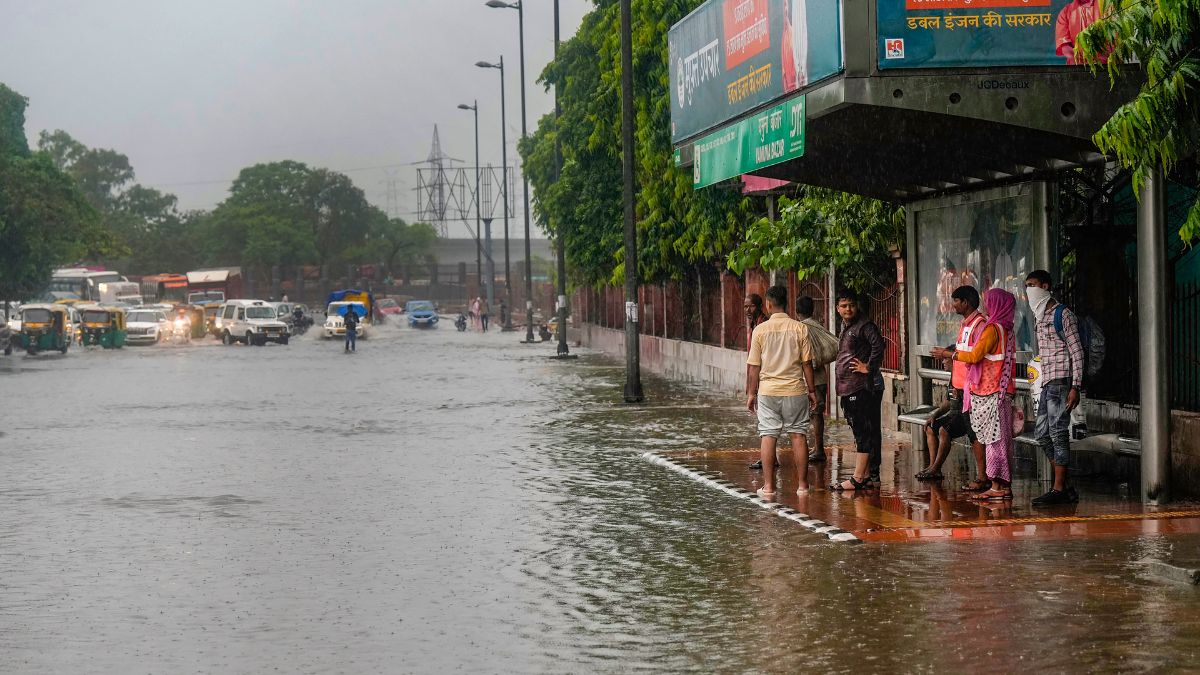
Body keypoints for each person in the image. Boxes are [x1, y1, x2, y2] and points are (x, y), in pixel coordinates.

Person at [746, 285, 818, 498]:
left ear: (768, 304)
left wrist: (751, 393)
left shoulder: (760, 330)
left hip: (768, 392)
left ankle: (769, 487)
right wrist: (812, 390)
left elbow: (754, 367)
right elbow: (807, 364)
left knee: (768, 435)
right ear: (787, 303)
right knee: (799, 435)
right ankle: (803, 486)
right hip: (795, 390)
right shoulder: (800, 328)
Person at [950, 288, 1018, 501]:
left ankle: (996, 486)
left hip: (990, 391)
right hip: (1002, 390)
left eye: (989, 302)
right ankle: (1003, 485)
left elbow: (976, 355)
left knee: (993, 440)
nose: (986, 305)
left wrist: (949, 354)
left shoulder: (992, 329)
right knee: (1001, 440)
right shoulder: (1007, 329)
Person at [1025, 270, 1085, 505]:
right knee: (1042, 434)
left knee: (1058, 433)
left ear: (1046, 286)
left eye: (1033, 285)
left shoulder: (1063, 314)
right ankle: (1065, 485)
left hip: (1062, 382)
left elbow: (1076, 351)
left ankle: (1059, 489)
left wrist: (1076, 386)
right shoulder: (1039, 316)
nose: (1029, 289)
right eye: (1027, 285)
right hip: (1047, 382)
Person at [925, 285, 989, 489]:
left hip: (972, 390)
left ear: (966, 302)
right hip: (962, 390)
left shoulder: (980, 324)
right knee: (964, 431)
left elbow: (975, 356)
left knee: (974, 433)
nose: (953, 305)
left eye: (955, 301)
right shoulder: (965, 325)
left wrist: (948, 355)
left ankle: (983, 477)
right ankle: (935, 468)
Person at [830, 289, 886, 491]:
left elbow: (879, 345)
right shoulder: (847, 326)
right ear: (837, 308)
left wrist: (868, 367)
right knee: (863, 431)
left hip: (862, 387)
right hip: (850, 387)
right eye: (844, 306)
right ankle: (868, 475)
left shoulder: (864, 325)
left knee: (865, 431)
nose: (848, 309)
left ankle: (861, 477)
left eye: (851, 305)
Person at [796, 295, 836, 462]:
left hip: (807, 380)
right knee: (817, 414)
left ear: (796, 311)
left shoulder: (801, 328)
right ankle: (818, 447)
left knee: (805, 416)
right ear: (812, 310)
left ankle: (813, 449)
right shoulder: (818, 326)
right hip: (820, 379)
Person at [744, 293, 773, 471]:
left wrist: (751, 391)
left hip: (765, 381)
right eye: (745, 307)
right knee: (765, 423)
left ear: (760, 305)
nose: (747, 310)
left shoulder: (763, 325)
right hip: (760, 380)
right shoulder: (754, 324)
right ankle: (769, 457)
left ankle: (768, 458)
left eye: (751, 306)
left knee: (766, 424)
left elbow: (759, 360)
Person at [1055, 0, 1104, 65]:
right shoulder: (1065, 12)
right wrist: (1081, 62)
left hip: (1105, 65)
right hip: (1077, 66)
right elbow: (1064, 45)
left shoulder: (1106, 7)